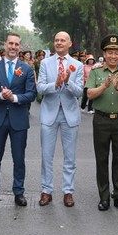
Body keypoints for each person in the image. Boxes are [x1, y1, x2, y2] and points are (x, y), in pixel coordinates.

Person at [0, 32, 37, 207]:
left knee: (19, 159)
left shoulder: (27, 69)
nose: (13, 47)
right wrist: (1, 95)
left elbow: (31, 94)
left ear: (19, 47)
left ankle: (19, 192)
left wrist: (13, 97)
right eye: (10, 43)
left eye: (16, 44)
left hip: (18, 119)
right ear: (5, 44)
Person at [86, 35, 118, 211]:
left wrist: (117, 88)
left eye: (116, 53)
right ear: (104, 54)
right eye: (110, 53)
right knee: (102, 159)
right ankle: (104, 197)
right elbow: (90, 94)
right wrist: (104, 86)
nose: (113, 56)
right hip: (101, 120)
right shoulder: (96, 72)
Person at [37, 31, 83, 207]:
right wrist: (55, 84)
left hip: (69, 114)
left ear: (69, 43)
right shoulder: (45, 63)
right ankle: (46, 190)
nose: (59, 43)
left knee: (69, 157)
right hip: (49, 113)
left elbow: (79, 92)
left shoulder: (77, 65)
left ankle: (68, 191)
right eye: (56, 40)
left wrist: (68, 82)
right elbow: (40, 87)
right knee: (46, 155)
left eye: (62, 40)